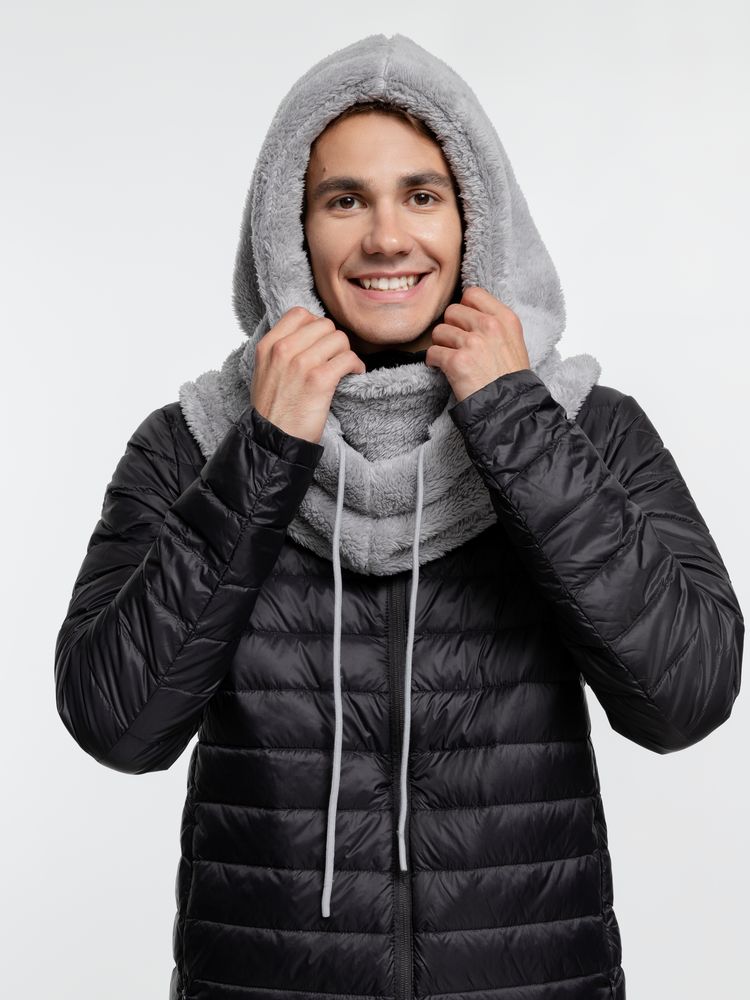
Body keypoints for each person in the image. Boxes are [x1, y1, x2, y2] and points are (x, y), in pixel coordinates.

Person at [54, 33, 744, 1000]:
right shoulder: (196, 442)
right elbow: (116, 726)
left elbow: (686, 698)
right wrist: (267, 450)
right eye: (345, 200)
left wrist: (512, 418)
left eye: (422, 195)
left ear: (476, 218)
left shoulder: (582, 427)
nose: (386, 238)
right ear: (290, 231)